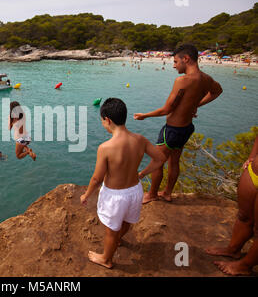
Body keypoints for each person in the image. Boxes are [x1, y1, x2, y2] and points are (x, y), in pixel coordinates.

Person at [80, 98, 166, 269]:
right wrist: (142, 173)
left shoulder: (106, 147)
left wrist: (86, 195)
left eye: (102, 121)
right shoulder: (140, 139)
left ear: (108, 120)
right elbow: (160, 159)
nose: (103, 124)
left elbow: (97, 178)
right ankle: (119, 240)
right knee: (126, 222)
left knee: (111, 231)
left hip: (115, 196)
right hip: (135, 191)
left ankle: (106, 258)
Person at [134, 44, 223, 203]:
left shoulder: (182, 81)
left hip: (173, 130)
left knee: (158, 161)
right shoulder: (206, 79)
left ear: (186, 59)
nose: (174, 66)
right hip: (186, 128)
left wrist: (145, 115)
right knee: (174, 161)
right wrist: (196, 105)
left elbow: (167, 109)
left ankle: (152, 194)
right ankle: (167, 193)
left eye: (176, 61)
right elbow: (217, 91)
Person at [205, 135, 258, 275]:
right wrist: (252, 157)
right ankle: (233, 250)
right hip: (255, 170)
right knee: (244, 215)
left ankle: (245, 265)